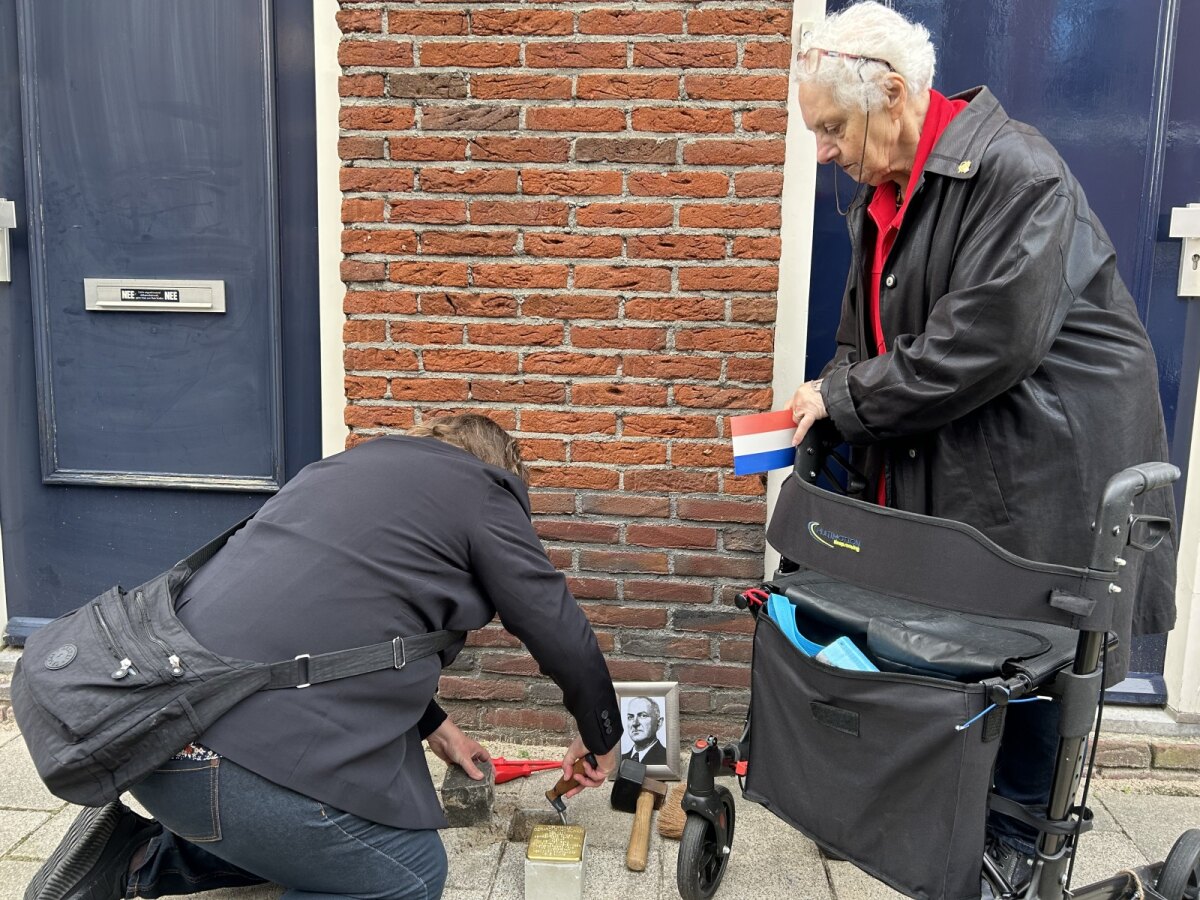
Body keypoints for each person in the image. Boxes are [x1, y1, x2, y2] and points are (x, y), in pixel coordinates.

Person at [783, 3, 1176, 896]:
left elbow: (982, 346)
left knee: (1030, 653)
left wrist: (844, 397)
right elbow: (862, 337)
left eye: (831, 128)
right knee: (952, 643)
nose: (824, 152)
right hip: (970, 447)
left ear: (890, 95)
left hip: (1048, 463)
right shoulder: (882, 192)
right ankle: (949, 828)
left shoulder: (1016, 171)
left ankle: (1012, 852)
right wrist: (829, 398)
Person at [27, 414, 623, 900]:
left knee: (334, 841)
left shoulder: (334, 473)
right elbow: (556, 625)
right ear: (501, 475)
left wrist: (439, 729)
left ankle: (129, 858)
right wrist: (601, 735)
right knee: (407, 874)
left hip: (145, 741)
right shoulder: (483, 491)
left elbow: (321, 631)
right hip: (223, 771)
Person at [621, 696, 668, 766]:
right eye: (630, 717)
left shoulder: (667, 758)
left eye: (643, 716)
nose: (635, 723)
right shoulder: (620, 760)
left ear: (659, 723)